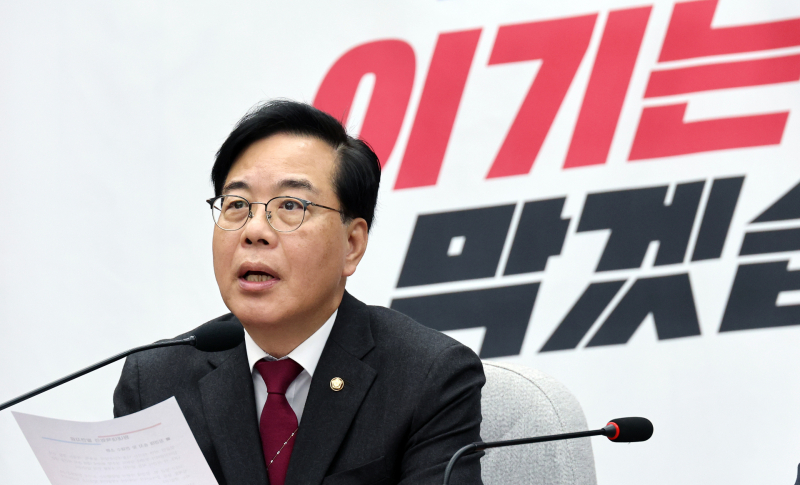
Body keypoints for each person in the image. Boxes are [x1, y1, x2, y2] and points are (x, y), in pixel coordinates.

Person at [113, 100, 485, 485]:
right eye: (236, 204)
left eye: (290, 205)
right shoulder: (155, 383)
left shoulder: (427, 377)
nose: (254, 231)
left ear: (352, 244)